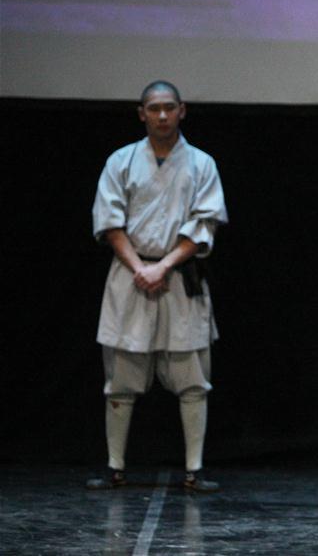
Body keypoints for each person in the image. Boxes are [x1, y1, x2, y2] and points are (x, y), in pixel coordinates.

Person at [88, 80, 228, 492]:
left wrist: (163, 266)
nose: (162, 116)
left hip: (179, 277)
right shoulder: (122, 161)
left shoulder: (202, 163)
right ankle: (115, 466)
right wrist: (140, 267)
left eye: (170, 108)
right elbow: (109, 219)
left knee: (191, 377)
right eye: (154, 108)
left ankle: (194, 470)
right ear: (142, 113)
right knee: (122, 378)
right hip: (131, 276)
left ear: (182, 110)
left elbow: (206, 221)